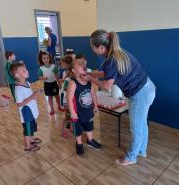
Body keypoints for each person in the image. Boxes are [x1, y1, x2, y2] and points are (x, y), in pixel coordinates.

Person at [83, 29, 156, 165]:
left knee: (136, 127)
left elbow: (106, 86)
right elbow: (108, 73)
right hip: (148, 88)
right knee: (142, 124)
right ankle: (141, 150)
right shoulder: (116, 53)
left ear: (101, 47)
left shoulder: (111, 60)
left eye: (92, 47)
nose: (92, 50)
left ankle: (131, 157)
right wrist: (92, 74)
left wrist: (90, 78)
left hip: (140, 94)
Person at [67, 58, 102, 156]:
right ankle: (79, 144)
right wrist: (73, 113)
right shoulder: (73, 83)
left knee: (89, 126)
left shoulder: (88, 81)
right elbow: (69, 99)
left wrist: (95, 106)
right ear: (73, 70)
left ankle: (90, 140)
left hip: (88, 110)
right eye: (79, 64)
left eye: (82, 64)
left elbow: (93, 94)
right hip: (77, 113)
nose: (82, 64)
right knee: (78, 130)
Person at [10, 62, 42, 151]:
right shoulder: (18, 88)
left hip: (31, 110)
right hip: (26, 112)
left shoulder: (27, 83)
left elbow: (28, 95)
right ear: (17, 75)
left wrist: (34, 94)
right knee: (27, 129)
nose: (27, 71)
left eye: (26, 69)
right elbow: (19, 104)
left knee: (31, 126)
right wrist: (32, 96)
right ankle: (27, 145)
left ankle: (31, 139)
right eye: (23, 71)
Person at [38, 51, 64, 115]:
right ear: (41, 59)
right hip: (47, 85)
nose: (46, 60)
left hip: (54, 84)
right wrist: (43, 78)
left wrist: (59, 83)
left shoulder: (53, 66)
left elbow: (57, 76)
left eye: (47, 58)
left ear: (50, 58)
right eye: (44, 58)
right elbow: (40, 77)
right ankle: (52, 109)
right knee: (49, 97)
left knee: (57, 96)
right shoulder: (41, 68)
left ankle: (59, 106)